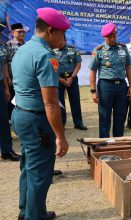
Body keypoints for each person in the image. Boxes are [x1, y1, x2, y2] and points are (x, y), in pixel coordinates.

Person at [11, 7, 70, 219]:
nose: (64, 38)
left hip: (21, 114)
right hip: (37, 120)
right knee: (40, 174)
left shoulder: (23, 49)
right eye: (63, 33)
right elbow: (51, 103)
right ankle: (33, 216)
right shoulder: (46, 56)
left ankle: (27, 210)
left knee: (28, 166)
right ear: (51, 30)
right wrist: (61, 138)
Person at [89, 23, 131, 138]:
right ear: (104, 37)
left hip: (121, 86)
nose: (112, 39)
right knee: (105, 116)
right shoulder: (98, 50)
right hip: (105, 86)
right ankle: (104, 143)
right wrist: (93, 91)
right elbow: (93, 71)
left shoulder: (123, 48)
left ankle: (118, 142)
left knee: (120, 116)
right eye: (109, 37)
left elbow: (128, 67)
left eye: (114, 36)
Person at [55, 36, 87, 130]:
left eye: (60, 40)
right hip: (59, 78)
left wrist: (72, 77)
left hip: (72, 77)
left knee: (75, 100)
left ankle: (78, 123)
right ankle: (61, 124)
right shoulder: (52, 51)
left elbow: (78, 64)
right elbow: (52, 67)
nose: (58, 42)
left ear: (65, 40)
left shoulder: (72, 49)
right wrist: (60, 79)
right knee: (60, 102)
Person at [0, 23, 19, 161]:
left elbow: (4, 68)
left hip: (0, 86)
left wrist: (6, 88)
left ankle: (7, 151)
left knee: (3, 119)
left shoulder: (3, 47)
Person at [6, 22, 25, 120]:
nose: (22, 34)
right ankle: (11, 120)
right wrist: (8, 78)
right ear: (13, 33)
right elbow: (5, 62)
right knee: (12, 100)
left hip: (25, 79)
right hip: (13, 79)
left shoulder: (27, 45)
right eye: (19, 32)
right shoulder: (8, 45)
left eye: (23, 32)